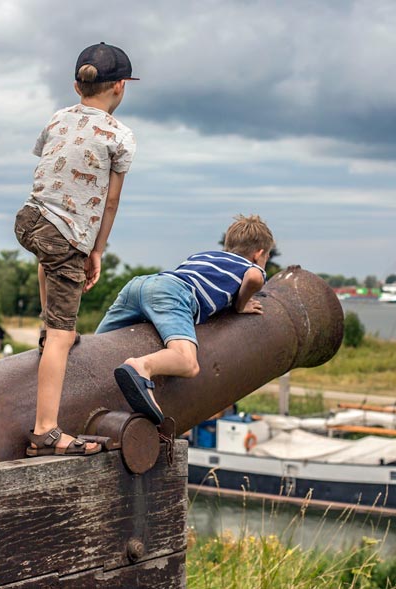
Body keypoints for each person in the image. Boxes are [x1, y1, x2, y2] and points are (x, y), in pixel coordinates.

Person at [14, 42, 137, 457]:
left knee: (48, 253)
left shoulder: (57, 117)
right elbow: (111, 201)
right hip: (65, 237)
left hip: (29, 221)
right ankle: (45, 431)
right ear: (121, 87)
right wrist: (96, 250)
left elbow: (49, 164)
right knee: (64, 340)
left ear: (77, 84)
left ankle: (48, 326)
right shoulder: (120, 136)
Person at [95, 215, 273, 423]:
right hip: (172, 294)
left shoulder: (204, 256)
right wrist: (241, 305)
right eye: (265, 259)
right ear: (258, 254)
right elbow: (254, 278)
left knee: (97, 348)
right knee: (188, 363)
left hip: (140, 285)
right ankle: (142, 367)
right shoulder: (248, 266)